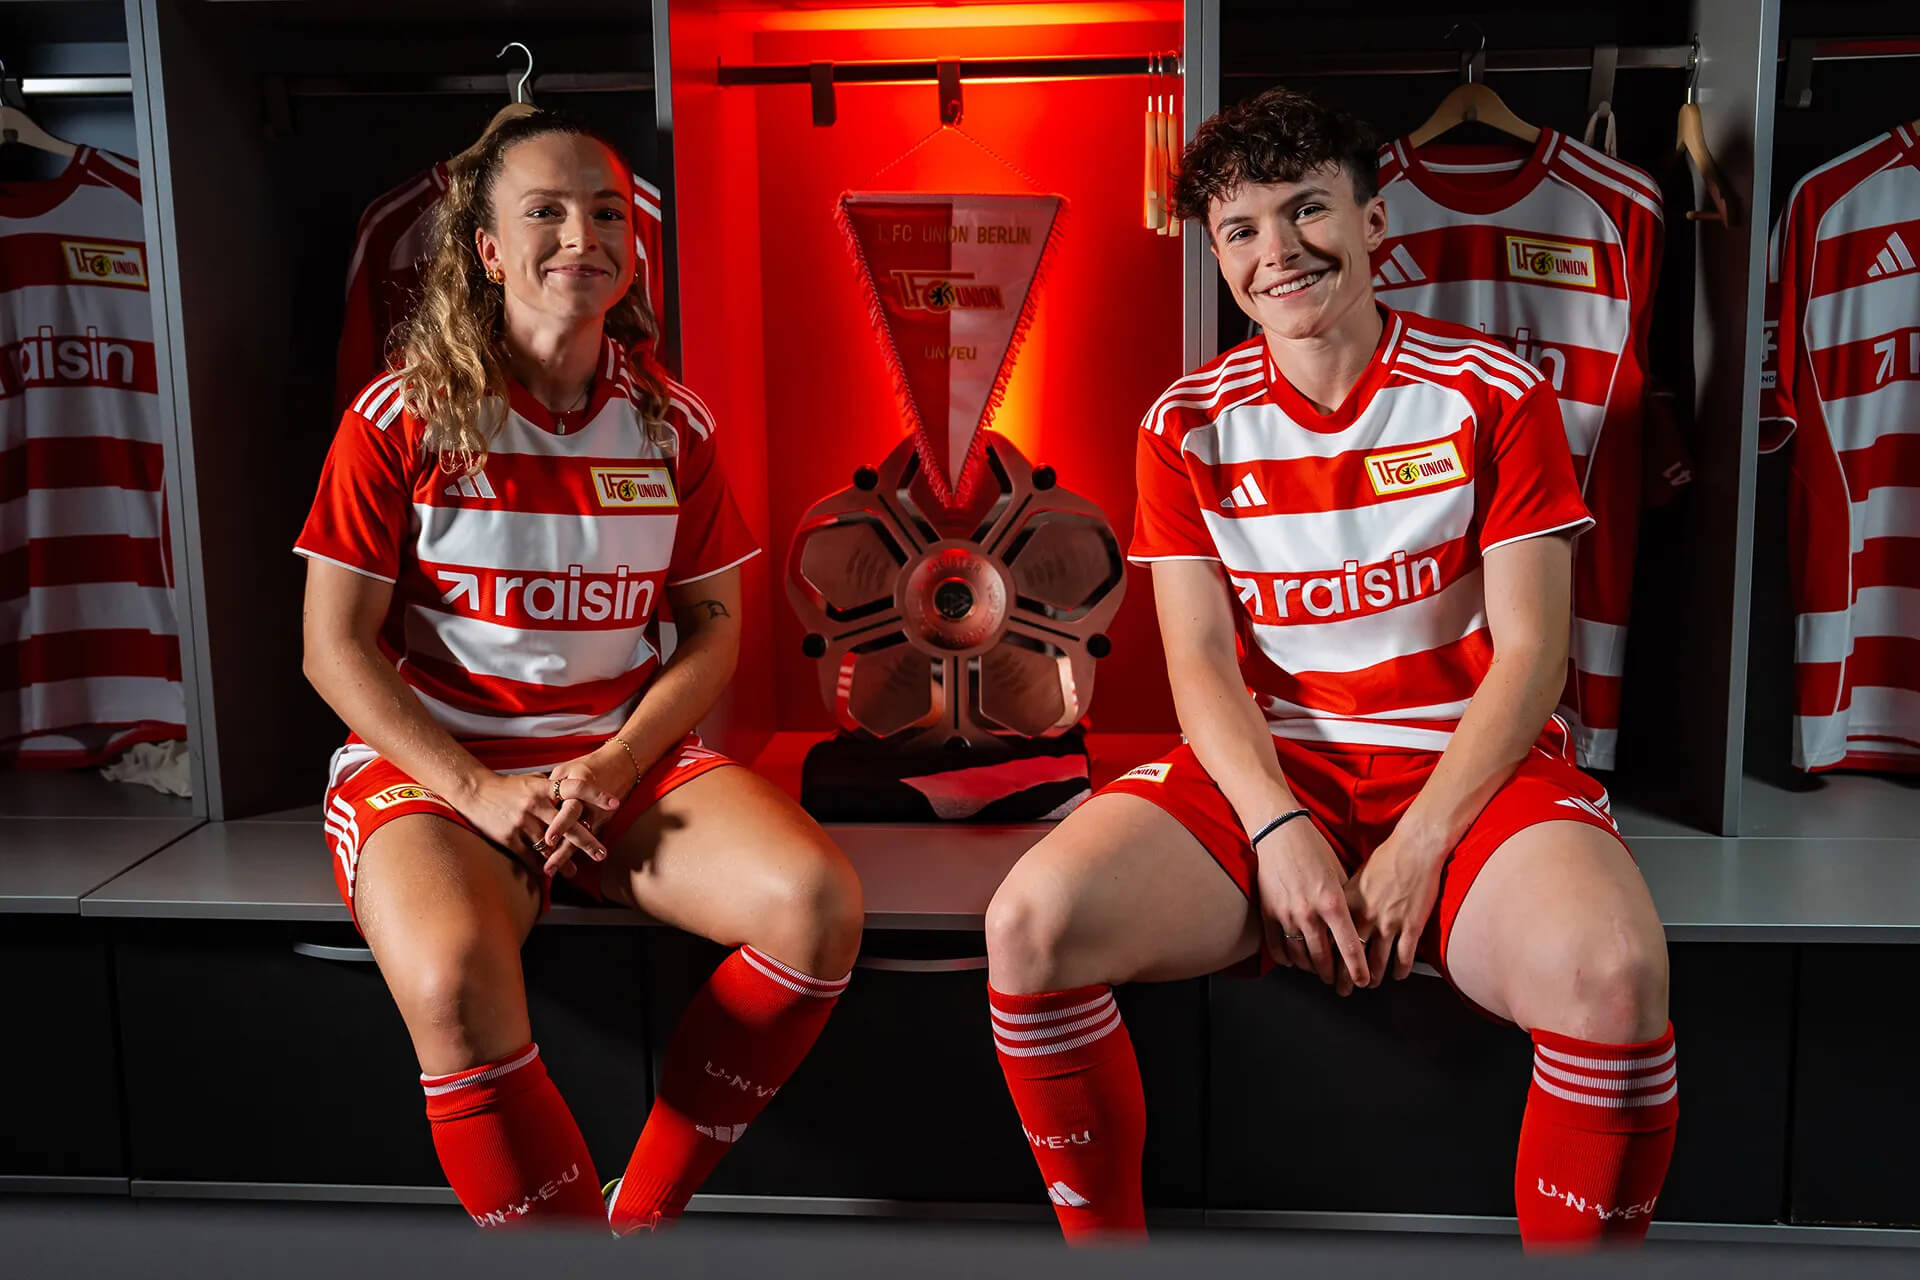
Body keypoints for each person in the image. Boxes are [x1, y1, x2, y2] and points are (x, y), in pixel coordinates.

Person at [982, 87, 1675, 1250]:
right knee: (1028, 924)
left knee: (1615, 975)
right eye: (1240, 229)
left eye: (1308, 209)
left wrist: (1420, 843)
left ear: (1374, 220)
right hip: (1273, 769)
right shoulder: (1184, 422)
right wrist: (1276, 826)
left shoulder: (1495, 392)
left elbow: (1533, 653)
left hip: (1467, 768)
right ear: (1217, 255)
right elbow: (1201, 663)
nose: (1278, 251)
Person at [297, 110, 864, 1234]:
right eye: (545, 212)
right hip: (439, 771)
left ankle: (637, 1224)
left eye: (607, 213)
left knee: (815, 905)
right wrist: (479, 791)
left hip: (617, 763)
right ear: (487, 250)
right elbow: (332, 648)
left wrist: (611, 764)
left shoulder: (671, 423)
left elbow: (711, 631)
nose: (582, 235)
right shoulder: (400, 415)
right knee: (453, 981)